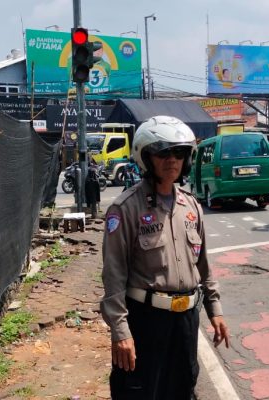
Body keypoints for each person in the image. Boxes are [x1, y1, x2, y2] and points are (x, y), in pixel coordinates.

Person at [101, 116, 229, 399]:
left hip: (185, 319)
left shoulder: (191, 205)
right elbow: (113, 276)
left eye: (179, 153)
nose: (172, 159)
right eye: (163, 152)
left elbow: (203, 266)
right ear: (146, 157)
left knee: (183, 389)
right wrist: (121, 331)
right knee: (139, 392)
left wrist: (215, 310)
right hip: (145, 321)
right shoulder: (125, 209)